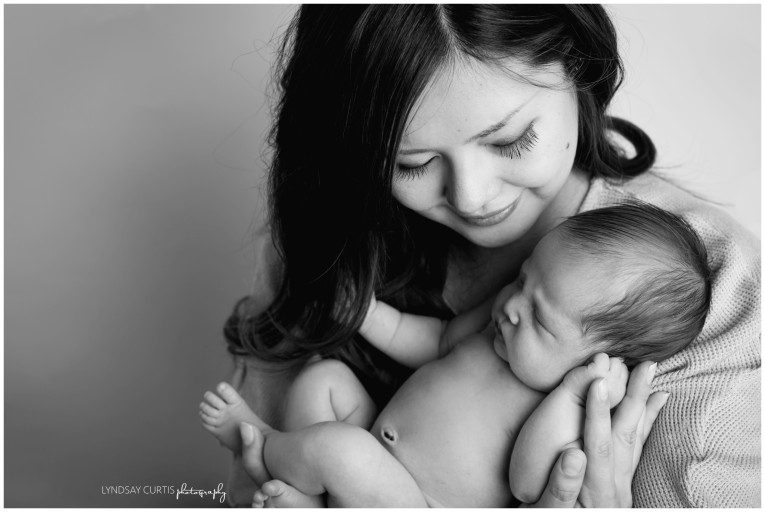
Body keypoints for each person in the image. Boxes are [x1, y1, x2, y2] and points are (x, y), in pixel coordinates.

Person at [220, 5, 760, 507]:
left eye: (511, 140)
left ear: (580, 67)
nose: (472, 198)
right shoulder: (340, 233)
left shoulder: (714, 304)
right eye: (413, 163)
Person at [202, 203, 708, 507]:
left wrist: (577, 395)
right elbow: (434, 341)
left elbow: (528, 482)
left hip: (417, 502)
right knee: (325, 380)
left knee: (340, 451)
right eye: (524, 278)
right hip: (375, 441)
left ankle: (263, 447)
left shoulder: (563, 404)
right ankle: (309, 495)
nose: (512, 308)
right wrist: (366, 314)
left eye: (541, 319)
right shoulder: (501, 320)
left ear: (598, 363)